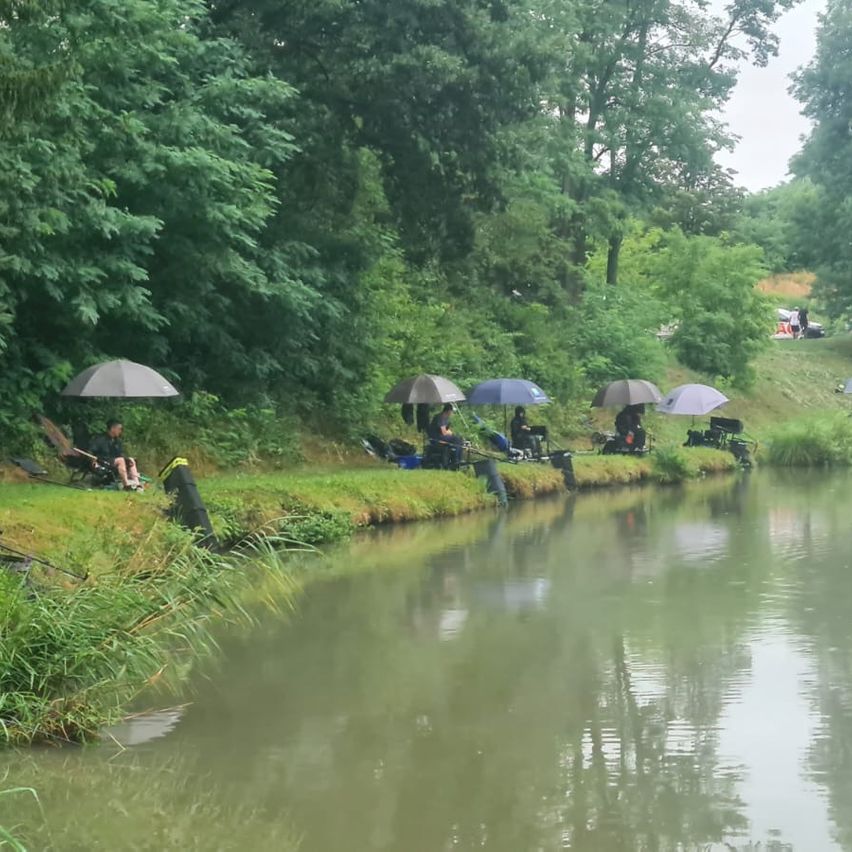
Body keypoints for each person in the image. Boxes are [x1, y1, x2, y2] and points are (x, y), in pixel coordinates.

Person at [89, 419, 142, 490]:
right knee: (121, 460)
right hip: (103, 462)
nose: (120, 431)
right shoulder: (100, 439)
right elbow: (91, 451)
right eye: (119, 429)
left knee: (130, 460)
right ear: (112, 429)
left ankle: (137, 484)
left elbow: (120, 454)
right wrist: (93, 461)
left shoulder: (117, 441)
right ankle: (126, 485)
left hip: (114, 461)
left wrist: (128, 460)